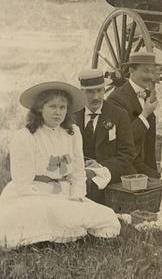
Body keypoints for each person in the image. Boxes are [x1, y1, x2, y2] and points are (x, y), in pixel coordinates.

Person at [0, 81, 121, 249]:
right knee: (38, 212)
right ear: (40, 108)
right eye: (52, 107)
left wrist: (77, 196)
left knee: (105, 216)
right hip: (33, 195)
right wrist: (49, 200)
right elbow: (22, 182)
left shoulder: (72, 133)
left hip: (64, 193)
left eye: (62, 107)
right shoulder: (25, 136)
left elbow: (78, 172)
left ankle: (58, 229)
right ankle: (46, 235)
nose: (58, 112)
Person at [73, 69, 137, 203]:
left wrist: (100, 166)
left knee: (89, 182)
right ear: (81, 92)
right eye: (90, 92)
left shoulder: (119, 115)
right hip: (78, 171)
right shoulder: (72, 116)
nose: (96, 97)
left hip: (110, 173)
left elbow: (128, 154)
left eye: (99, 90)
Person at [107, 51, 160, 178]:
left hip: (146, 166)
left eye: (152, 72)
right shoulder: (116, 99)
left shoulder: (147, 94)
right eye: (145, 71)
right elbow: (121, 139)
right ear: (131, 70)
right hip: (128, 168)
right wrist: (145, 114)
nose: (150, 77)